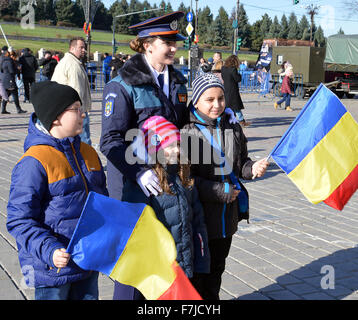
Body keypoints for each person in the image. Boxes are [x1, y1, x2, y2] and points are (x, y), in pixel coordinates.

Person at [99, 11, 189, 299]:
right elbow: (110, 140)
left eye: (176, 41)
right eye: (168, 42)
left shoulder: (177, 82)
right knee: (133, 266)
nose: (175, 47)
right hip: (131, 185)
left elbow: (183, 125)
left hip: (167, 182)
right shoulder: (122, 84)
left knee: (162, 259)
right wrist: (138, 171)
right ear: (148, 44)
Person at [6, 80, 108, 300]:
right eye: (76, 109)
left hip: (87, 261)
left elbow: (102, 203)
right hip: (51, 269)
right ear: (55, 117)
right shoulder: (34, 161)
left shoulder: (89, 152)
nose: (83, 114)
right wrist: (50, 250)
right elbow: (19, 220)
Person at [182, 73, 269, 300]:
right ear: (196, 100)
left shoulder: (232, 127)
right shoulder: (186, 131)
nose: (217, 104)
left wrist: (253, 169)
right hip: (199, 220)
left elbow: (240, 165)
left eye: (220, 98)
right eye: (209, 99)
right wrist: (220, 192)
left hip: (226, 220)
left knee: (216, 272)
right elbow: (186, 179)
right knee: (197, 277)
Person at [118, 115, 210, 299]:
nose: (176, 150)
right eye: (169, 146)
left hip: (185, 264)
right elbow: (136, 229)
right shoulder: (143, 184)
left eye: (177, 144)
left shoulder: (183, 176)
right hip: (158, 271)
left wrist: (201, 258)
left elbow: (198, 221)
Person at [52, 37, 92, 145]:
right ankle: (85, 161)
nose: (84, 50)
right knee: (84, 142)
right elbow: (76, 89)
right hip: (75, 110)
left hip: (66, 109)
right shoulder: (73, 65)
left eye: (84, 47)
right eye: (81, 47)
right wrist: (79, 111)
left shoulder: (70, 62)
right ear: (73, 48)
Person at [221, 55, 251, 127]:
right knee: (236, 107)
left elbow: (223, 77)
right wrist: (239, 74)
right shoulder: (233, 69)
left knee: (228, 106)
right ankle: (241, 121)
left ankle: (230, 120)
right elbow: (237, 79)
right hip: (233, 90)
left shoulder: (223, 68)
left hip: (226, 89)